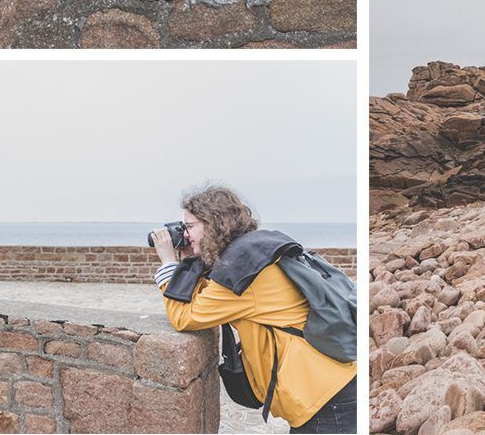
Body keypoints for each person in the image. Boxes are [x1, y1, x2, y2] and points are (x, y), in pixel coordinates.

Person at [150, 184, 357, 434]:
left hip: (325, 399)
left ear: (214, 223)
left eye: (190, 226)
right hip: (330, 387)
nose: (185, 234)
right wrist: (193, 259)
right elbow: (208, 294)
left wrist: (168, 265)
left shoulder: (241, 273)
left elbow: (185, 317)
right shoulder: (253, 253)